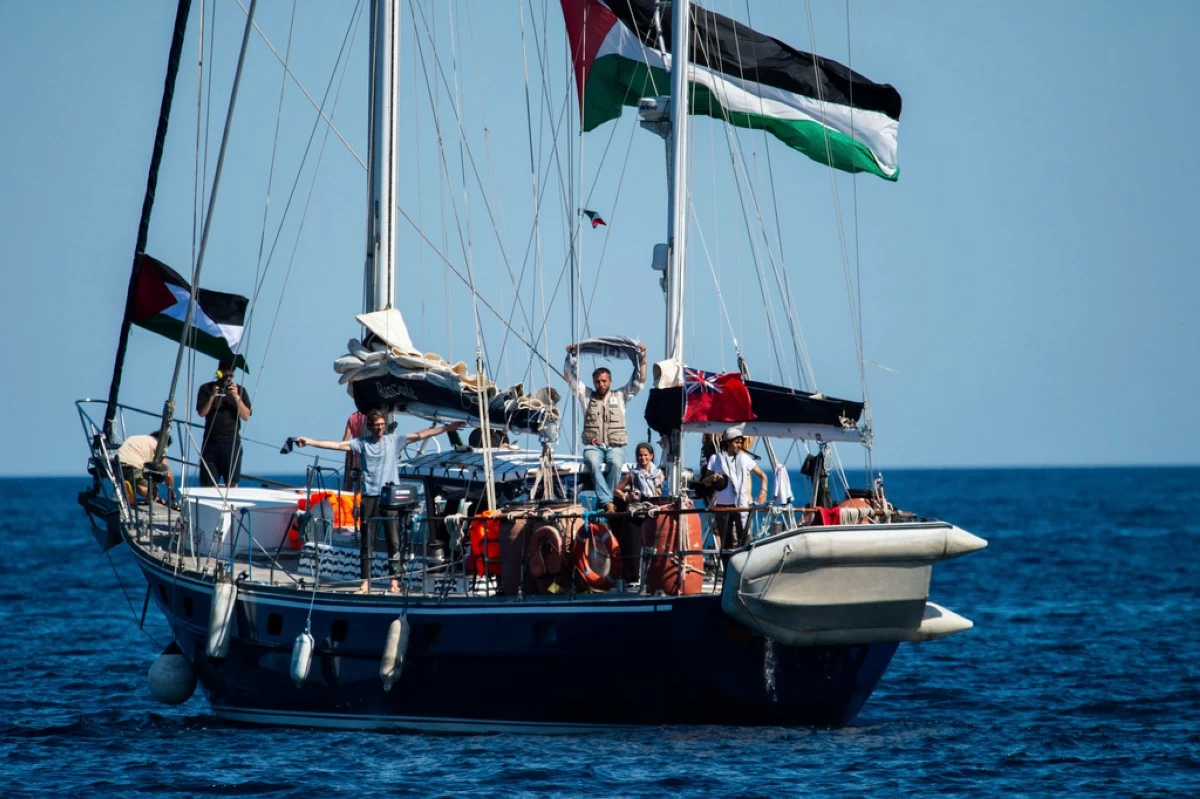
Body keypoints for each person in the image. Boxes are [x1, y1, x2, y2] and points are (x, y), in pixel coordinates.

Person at [295, 411, 465, 593]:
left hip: (390, 497)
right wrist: (310, 441)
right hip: (369, 497)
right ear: (370, 426)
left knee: (394, 541)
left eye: (383, 424)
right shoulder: (362, 444)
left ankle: (394, 582)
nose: (381, 428)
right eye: (377, 425)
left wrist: (448, 428)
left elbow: (421, 434)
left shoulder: (394, 441)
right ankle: (365, 583)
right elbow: (337, 445)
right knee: (367, 542)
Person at [564, 341, 647, 511]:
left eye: (604, 381)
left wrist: (643, 359)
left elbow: (640, 380)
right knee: (592, 462)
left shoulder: (621, 396)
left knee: (615, 464)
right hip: (594, 446)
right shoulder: (586, 396)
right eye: (597, 382)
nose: (601, 384)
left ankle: (606, 501)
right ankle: (608, 502)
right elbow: (569, 377)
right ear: (594, 383)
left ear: (610, 381)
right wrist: (570, 356)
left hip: (615, 446)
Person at [707, 425, 768, 556]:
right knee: (726, 543)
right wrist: (712, 478)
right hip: (722, 507)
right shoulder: (715, 459)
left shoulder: (744, 459)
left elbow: (763, 475)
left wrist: (763, 490)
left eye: (740, 442)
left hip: (741, 505)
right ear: (728, 442)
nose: (739, 445)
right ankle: (727, 570)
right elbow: (705, 482)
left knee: (744, 540)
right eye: (736, 442)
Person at [196, 357, 251, 487]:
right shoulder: (206, 388)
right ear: (219, 373)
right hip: (211, 442)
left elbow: (246, 416)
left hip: (231, 443)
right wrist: (212, 396)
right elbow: (201, 412)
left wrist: (236, 397)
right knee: (207, 484)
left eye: (231, 375)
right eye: (226, 375)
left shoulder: (240, 390)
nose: (228, 378)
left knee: (231, 484)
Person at [115, 430, 176, 505]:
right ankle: (131, 486)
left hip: (117, 466)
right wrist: (172, 492)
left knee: (136, 478)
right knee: (151, 491)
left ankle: (128, 483)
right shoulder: (158, 446)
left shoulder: (136, 438)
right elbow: (168, 474)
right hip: (133, 466)